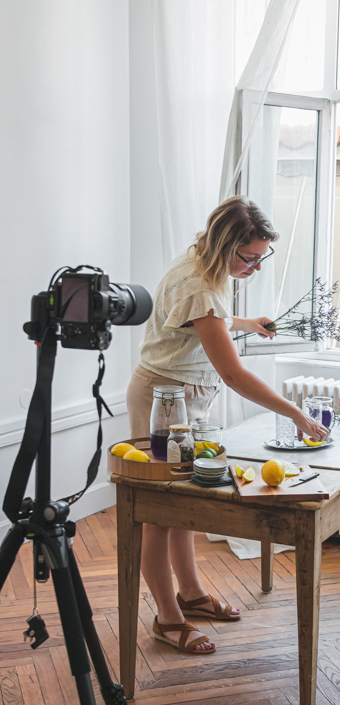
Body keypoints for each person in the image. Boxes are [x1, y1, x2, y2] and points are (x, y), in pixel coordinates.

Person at [126, 196, 328, 656]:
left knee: (184, 504)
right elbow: (234, 375)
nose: (255, 268)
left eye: (262, 258)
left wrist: (244, 322)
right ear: (225, 244)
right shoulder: (201, 282)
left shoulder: (203, 260)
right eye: (250, 258)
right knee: (158, 513)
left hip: (183, 398)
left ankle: (191, 594)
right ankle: (167, 618)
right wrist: (295, 413)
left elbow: (203, 318)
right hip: (163, 403)